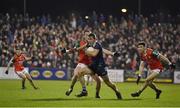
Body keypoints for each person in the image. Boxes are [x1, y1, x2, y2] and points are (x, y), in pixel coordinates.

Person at [65, 31, 101, 98]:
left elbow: (98, 51)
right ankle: (72, 89)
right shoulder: (80, 42)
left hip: (90, 65)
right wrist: (67, 51)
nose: (88, 36)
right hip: (81, 63)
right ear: (84, 36)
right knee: (76, 74)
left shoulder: (93, 44)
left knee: (98, 81)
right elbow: (75, 49)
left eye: (89, 35)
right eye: (86, 35)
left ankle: (97, 94)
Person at [85, 33, 122, 99]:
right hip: (93, 65)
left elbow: (94, 54)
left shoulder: (97, 45)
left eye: (90, 39)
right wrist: (112, 53)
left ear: (94, 39)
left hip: (100, 66)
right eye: (88, 39)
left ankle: (117, 92)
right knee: (98, 81)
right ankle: (96, 95)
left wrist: (86, 51)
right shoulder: (89, 45)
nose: (89, 40)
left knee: (107, 82)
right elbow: (104, 50)